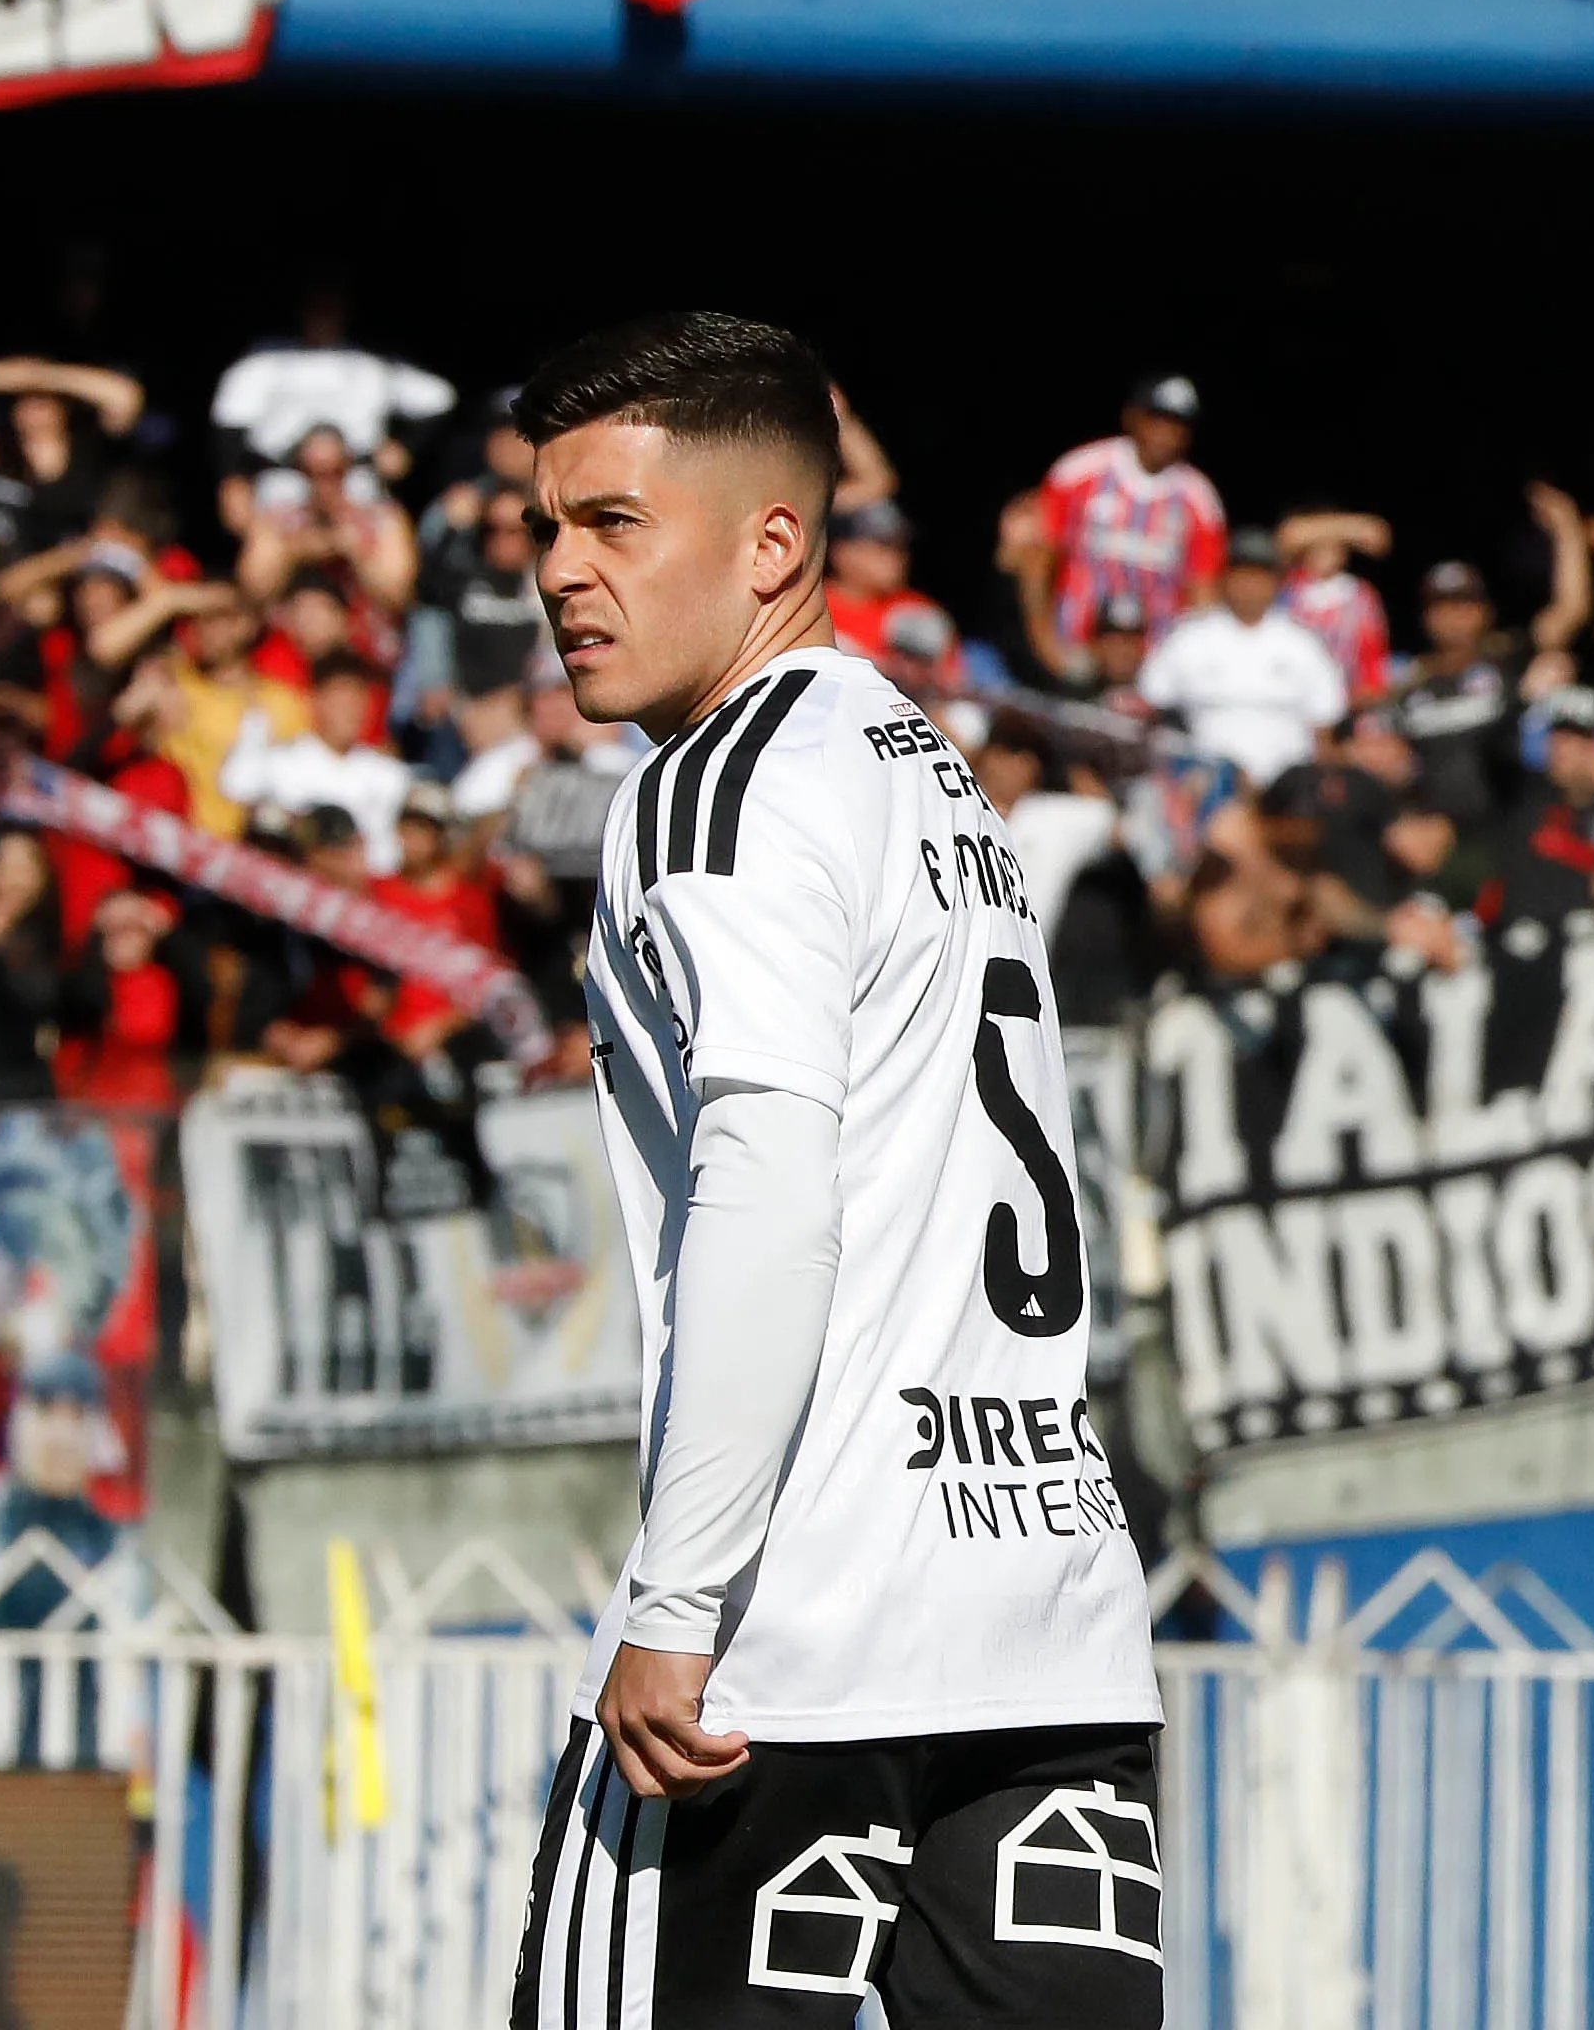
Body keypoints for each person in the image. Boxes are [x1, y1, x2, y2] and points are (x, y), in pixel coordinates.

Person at [508, 311, 1154, 2027]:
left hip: (791, 1642)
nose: (562, 574)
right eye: (542, 529)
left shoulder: (718, 788)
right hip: (1046, 1623)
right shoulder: (921, 765)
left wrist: (678, 1594)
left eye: (610, 523)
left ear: (773, 543)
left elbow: (770, 1182)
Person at [1006, 376, 1223, 683]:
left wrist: (1182, 669)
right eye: (1157, 420)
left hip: (1155, 663)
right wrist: (1046, 646)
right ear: (1132, 416)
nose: (1166, 434)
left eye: (1178, 425)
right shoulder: (1079, 472)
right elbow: (1037, 564)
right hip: (1076, 650)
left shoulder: (1198, 498)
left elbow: (1204, 596)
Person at [1134, 534, 1346, 789]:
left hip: (1286, 783)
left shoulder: (1303, 642)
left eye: (1260, 576)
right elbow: (1150, 705)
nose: (1250, 585)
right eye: (1242, 575)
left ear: (1276, 583)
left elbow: (1323, 726)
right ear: (1225, 579)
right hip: (1203, 778)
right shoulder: (1188, 636)